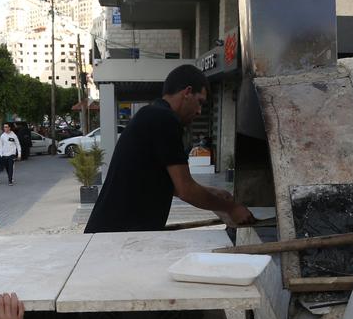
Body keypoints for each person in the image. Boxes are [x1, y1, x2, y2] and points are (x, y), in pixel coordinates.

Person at [85, 64, 253, 233]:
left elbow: (163, 185)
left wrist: (211, 192)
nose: (200, 111)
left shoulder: (152, 114)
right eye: (199, 102)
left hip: (112, 231)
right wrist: (231, 208)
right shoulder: (164, 119)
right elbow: (186, 190)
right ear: (187, 93)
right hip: (114, 236)